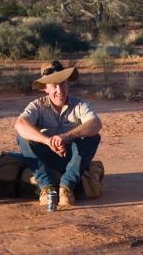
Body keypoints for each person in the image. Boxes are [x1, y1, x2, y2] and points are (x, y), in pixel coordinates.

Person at [14, 60, 102, 207]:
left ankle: (66, 187)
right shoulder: (37, 105)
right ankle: (47, 187)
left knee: (93, 136)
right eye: (54, 86)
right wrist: (47, 141)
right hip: (45, 157)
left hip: (73, 158)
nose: (59, 91)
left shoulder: (80, 105)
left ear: (68, 84)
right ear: (45, 88)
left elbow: (96, 124)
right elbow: (20, 124)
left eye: (62, 84)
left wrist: (66, 136)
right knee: (23, 138)